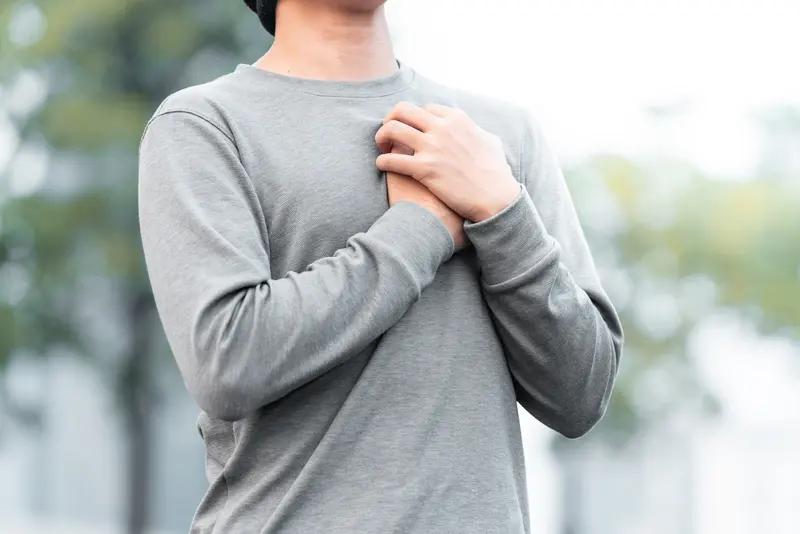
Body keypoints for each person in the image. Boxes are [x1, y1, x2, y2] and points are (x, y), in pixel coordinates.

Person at [137, 1, 625, 532]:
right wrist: (422, 228)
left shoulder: (494, 138)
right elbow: (227, 361)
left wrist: (503, 213)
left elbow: (581, 395)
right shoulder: (204, 125)